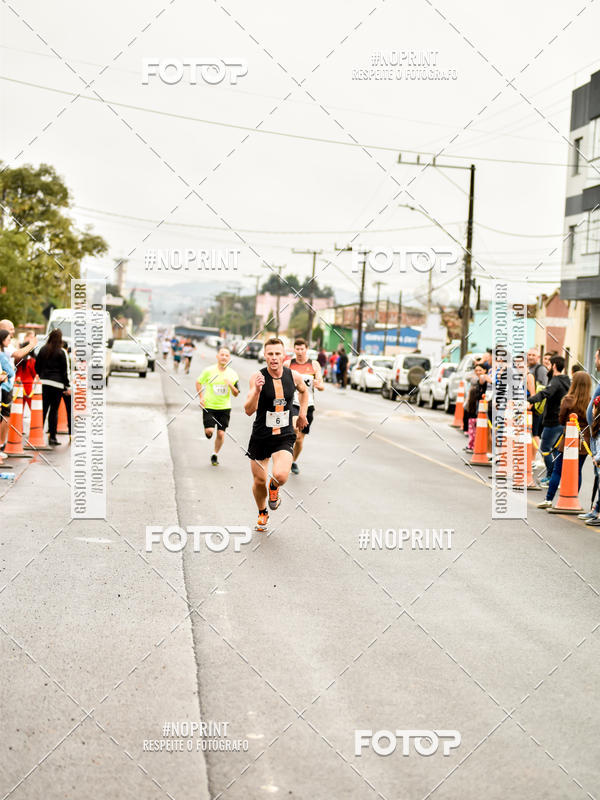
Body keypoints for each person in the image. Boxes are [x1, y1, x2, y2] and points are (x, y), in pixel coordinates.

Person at [245, 337, 308, 532]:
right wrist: (257, 391)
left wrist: (302, 414)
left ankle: (275, 488)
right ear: (264, 356)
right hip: (261, 435)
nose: (274, 358)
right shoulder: (257, 377)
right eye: (270, 354)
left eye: (277, 354)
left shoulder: (293, 376)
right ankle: (262, 511)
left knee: (280, 475)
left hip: (284, 435)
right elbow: (248, 410)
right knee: (259, 480)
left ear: (284, 356)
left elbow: (304, 392)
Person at [537, 371, 591, 509]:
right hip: (584, 442)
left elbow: (561, 420)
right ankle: (573, 499)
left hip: (568, 441)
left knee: (557, 470)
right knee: (577, 471)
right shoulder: (590, 401)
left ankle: (548, 499)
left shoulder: (568, 400)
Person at [284, 338, 325, 474]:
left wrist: (319, 385)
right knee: (295, 428)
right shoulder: (288, 363)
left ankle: (293, 461)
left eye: (302, 349)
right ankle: (286, 452)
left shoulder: (314, 365)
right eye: (297, 349)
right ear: (294, 349)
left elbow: (321, 385)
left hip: (308, 404)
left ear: (306, 349)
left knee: (300, 439)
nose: (300, 351)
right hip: (292, 402)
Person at [528, 355, 570, 486]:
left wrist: (529, 401)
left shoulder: (556, 381)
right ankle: (555, 478)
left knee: (545, 448)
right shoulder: (566, 380)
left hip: (553, 421)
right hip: (561, 420)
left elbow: (545, 393)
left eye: (549, 365)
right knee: (555, 449)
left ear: (554, 366)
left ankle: (551, 476)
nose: (547, 367)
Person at [196, 347, 239, 466]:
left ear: (229, 358)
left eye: (226, 355)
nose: (224, 357)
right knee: (209, 431)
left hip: (224, 407)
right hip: (209, 406)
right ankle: (208, 432)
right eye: (222, 355)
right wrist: (201, 398)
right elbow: (198, 382)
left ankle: (215, 454)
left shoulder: (233, 374)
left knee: (220, 433)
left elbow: (236, 393)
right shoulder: (209, 370)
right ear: (217, 356)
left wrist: (230, 385)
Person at [35, 329, 70, 446]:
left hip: (44, 383)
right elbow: (65, 371)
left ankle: (37, 435)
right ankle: (52, 437)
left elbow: (37, 366)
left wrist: (42, 375)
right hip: (57, 385)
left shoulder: (43, 350)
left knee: (43, 409)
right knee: (54, 411)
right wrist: (66, 386)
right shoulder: (61, 352)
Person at [526, 348, 548, 452]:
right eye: (529, 354)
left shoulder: (541, 369)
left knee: (534, 433)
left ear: (538, 357)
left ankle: (534, 459)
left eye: (533, 355)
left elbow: (543, 388)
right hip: (526, 405)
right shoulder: (527, 368)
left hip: (534, 407)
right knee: (527, 432)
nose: (530, 357)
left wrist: (532, 402)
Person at [463, 364, 487, 453]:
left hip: (481, 410)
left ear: (485, 370)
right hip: (473, 409)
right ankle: (471, 445)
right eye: (476, 370)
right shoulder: (475, 381)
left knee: (478, 429)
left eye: (480, 370)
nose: (478, 372)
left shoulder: (485, 381)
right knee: (472, 428)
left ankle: (476, 446)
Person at [0, 329, 16, 458]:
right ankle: (1, 446)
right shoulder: (1, 355)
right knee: (4, 417)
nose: (10, 340)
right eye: (8, 338)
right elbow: (10, 372)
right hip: (4, 388)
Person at [15, 332, 37, 412]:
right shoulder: (32, 361)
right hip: (29, 385)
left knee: (19, 408)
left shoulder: (17, 360)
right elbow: (34, 374)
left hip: (18, 384)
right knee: (32, 408)